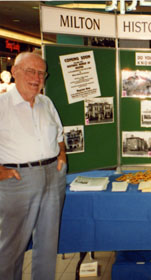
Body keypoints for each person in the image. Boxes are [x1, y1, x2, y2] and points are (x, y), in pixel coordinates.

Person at [0, 52, 67, 280]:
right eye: (31, 71)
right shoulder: (2, 105)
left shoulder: (46, 103)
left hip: (52, 175)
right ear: (15, 72)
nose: (37, 77)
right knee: (12, 246)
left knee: (48, 242)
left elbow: (59, 134)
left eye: (41, 73)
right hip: (18, 178)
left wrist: (62, 158)